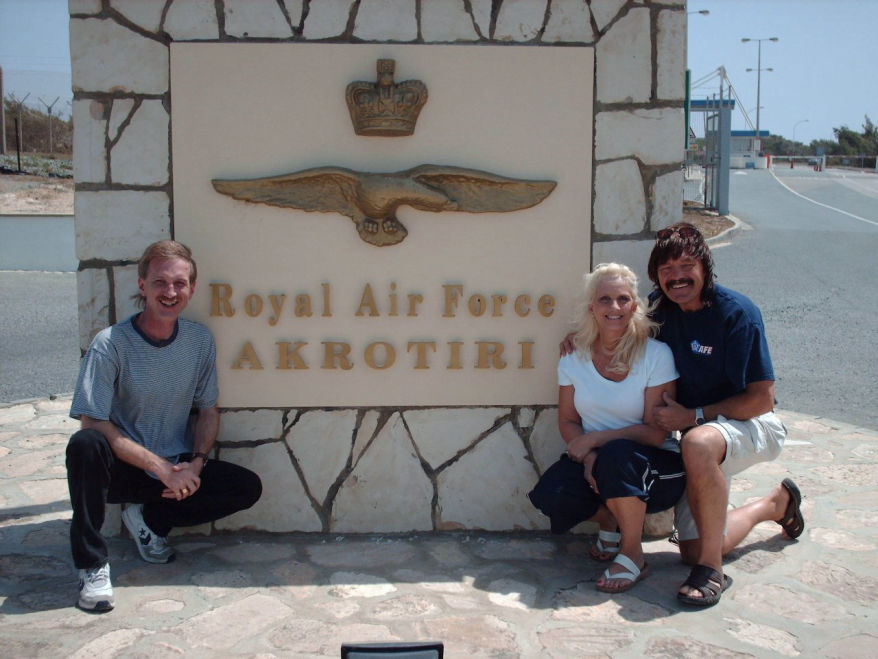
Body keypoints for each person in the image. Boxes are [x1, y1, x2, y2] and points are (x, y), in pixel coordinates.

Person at [66, 240, 262, 612]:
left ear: (191, 289)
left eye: (179, 283)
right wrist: (159, 469)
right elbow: (92, 420)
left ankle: (149, 520)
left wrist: (195, 465)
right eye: (160, 282)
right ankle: (92, 566)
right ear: (142, 286)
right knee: (86, 445)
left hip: (175, 466)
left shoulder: (199, 341)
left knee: (245, 487)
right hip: (123, 468)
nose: (170, 292)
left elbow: (207, 410)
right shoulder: (110, 344)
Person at [647, 222, 803, 607]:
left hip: (754, 424)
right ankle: (776, 505)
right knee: (691, 548)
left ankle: (712, 571)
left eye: (685, 265)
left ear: (705, 266)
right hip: (702, 434)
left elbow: (762, 399)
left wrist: (695, 416)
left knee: (698, 442)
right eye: (666, 270)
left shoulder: (737, 314)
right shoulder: (658, 309)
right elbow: (617, 329)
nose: (677, 277)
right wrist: (580, 341)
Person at [529, 263, 687, 593]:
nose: (614, 308)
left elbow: (656, 432)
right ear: (592, 307)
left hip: (654, 467)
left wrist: (597, 441)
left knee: (616, 455)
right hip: (599, 461)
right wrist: (589, 459)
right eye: (604, 299)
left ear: (635, 305)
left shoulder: (656, 356)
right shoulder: (573, 357)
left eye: (622, 299)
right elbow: (568, 421)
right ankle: (609, 520)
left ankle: (633, 555)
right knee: (552, 495)